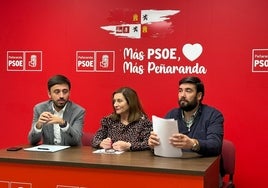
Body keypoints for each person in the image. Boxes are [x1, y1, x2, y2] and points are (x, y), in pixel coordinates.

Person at [148, 76, 224, 186]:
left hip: (204, 173)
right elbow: (161, 145)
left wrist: (193, 144)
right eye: (180, 91)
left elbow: (215, 145)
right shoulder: (172, 114)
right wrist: (153, 144)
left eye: (188, 91)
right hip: (176, 170)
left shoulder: (213, 115)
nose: (182, 95)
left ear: (199, 96)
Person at [28, 74, 86, 146]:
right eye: (57, 92)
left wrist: (63, 124)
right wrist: (38, 125)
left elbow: (75, 141)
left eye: (65, 92)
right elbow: (32, 141)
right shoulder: (40, 109)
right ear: (49, 94)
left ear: (69, 93)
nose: (61, 96)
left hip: (70, 154)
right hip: (48, 154)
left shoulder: (78, 111)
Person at [92, 87, 152, 151]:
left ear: (130, 102)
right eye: (114, 101)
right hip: (112, 159)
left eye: (119, 101)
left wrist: (130, 146)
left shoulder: (144, 122)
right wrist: (101, 143)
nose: (115, 105)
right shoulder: (109, 120)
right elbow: (95, 140)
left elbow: (148, 144)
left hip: (134, 159)